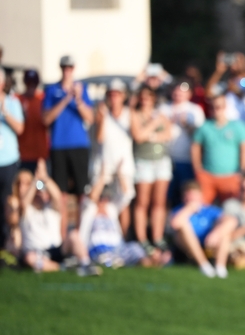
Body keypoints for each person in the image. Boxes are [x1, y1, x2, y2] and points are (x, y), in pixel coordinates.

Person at [43, 55, 94, 239]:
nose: (67, 70)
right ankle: (63, 239)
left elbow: (90, 117)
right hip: (59, 146)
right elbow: (46, 119)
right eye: (64, 67)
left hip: (79, 145)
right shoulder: (52, 90)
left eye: (70, 67)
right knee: (61, 196)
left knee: (81, 194)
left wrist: (78, 99)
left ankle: (80, 237)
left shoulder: (83, 89)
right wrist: (66, 98)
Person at [80, 161, 167, 268]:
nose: (104, 199)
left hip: (117, 247)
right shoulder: (88, 210)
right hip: (98, 247)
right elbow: (92, 198)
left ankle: (150, 261)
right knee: (106, 257)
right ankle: (126, 262)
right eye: (101, 197)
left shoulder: (111, 209)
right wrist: (103, 176)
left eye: (106, 196)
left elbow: (127, 195)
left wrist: (120, 174)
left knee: (135, 247)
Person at [20, 160, 100, 276]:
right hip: (36, 252)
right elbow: (24, 203)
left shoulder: (52, 208)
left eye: (43, 191)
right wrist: (35, 181)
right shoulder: (27, 211)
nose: (40, 193)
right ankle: (63, 267)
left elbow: (57, 195)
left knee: (74, 235)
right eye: (38, 191)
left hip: (56, 249)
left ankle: (86, 264)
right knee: (30, 259)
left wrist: (45, 178)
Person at [130, 86, 173, 254]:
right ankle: (142, 238)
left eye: (149, 96)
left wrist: (151, 135)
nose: (145, 100)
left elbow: (168, 134)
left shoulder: (161, 114)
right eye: (143, 96)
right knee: (142, 202)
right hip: (143, 161)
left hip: (161, 161)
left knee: (159, 202)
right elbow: (138, 136)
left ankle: (157, 237)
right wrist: (154, 125)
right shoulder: (135, 114)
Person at [93, 78, 136, 237]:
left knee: (123, 203)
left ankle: (122, 238)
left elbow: (137, 135)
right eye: (111, 94)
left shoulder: (129, 113)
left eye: (117, 94)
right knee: (99, 203)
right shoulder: (102, 114)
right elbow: (99, 137)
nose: (114, 98)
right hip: (104, 165)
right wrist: (103, 116)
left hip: (123, 165)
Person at [191, 94, 245, 205]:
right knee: (202, 206)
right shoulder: (204, 127)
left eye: (219, 106)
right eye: (213, 107)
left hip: (231, 176)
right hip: (207, 175)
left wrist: (242, 172)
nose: (216, 109)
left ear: (225, 107)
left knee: (231, 207)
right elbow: (195, 148)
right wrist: (198, 169)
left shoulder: (239, 127)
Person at [169, 180, 236, 278]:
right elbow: (174, 224)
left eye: (194, 195)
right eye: (189, 196)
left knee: (225, 233)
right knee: (183, 225)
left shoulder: (208, 210)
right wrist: (189, 209)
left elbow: (232, 221)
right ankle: (203, 265)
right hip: (185, 248)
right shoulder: (179, 211)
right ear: (184, 197)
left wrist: (216, 233)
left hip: (208, 245)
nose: (191, 199)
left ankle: (220, 266)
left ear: (200, 196)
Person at [160, 79, 206, 205]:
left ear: (190, 93)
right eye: (176, 89)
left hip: (187, 159)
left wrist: (187, 125)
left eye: (182, 90)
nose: (178, 93)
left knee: (186, 194)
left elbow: (200, 137)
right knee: (165, 197)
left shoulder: (195, 110)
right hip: (165, 159)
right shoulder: (163, 108)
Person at [206, 52, 245, 126]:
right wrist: (219, 71)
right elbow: (208, 93)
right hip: (228, 130)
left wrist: (244, 69)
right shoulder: (225, 87)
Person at [0, 68, 24, 251]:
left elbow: (20, 128)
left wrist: (5, 112)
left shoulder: (12, 102)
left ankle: (9, 245)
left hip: (8, 161)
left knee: (9, 204)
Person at [17, 69, 48, 174]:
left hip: (41, 154)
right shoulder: (17, 100)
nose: (31, 86)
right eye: (28, 83)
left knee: (40, 186)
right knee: (24, 186)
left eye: (34, 83)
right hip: (23, 154)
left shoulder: (43, 99)